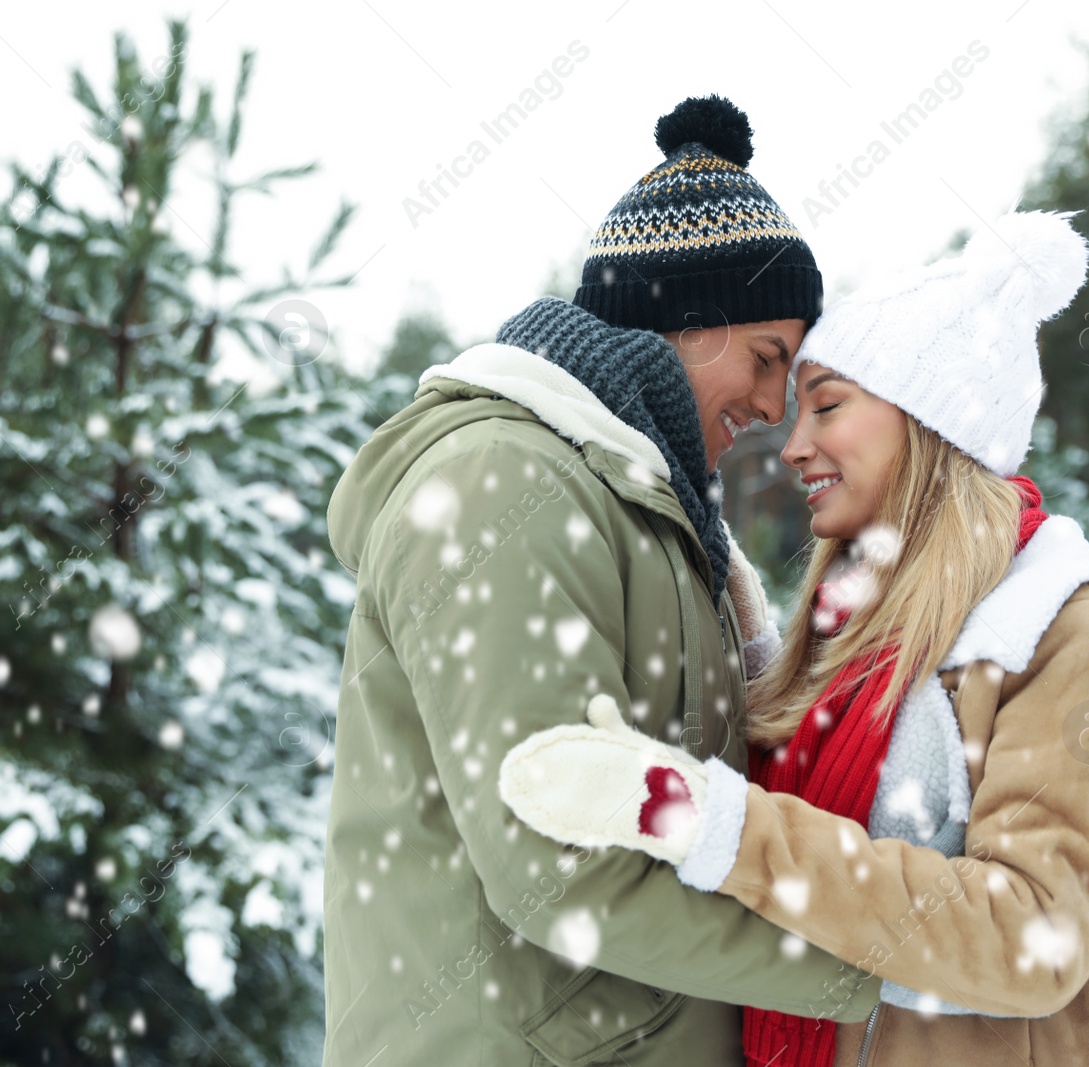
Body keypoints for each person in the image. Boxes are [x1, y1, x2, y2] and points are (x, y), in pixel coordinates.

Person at [500, 211, 1089, 1066]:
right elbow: (832, 818)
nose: (792, 445)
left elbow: (1033, 937)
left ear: (934, 423)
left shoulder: (1067, 634)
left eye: (827, 405)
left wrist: (711, 820)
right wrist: (751, 652)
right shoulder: (857, 641)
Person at [321, 95, 881, 1066]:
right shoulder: (506, 484)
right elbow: (557, 869)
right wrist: (880, 961)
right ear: (683, 319)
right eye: (764, 359)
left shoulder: (650, 515)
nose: (767, 406)